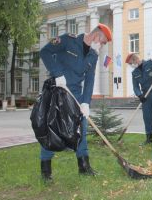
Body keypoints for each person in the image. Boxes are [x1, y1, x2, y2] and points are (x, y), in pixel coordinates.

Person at [39, 23, 112, 181]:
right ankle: (45, 170)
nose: (102, 46)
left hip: (76, 94)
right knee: (53, 128)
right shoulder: (68, 40)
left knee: (82, 129)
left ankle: (84, 167)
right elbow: (44, 52)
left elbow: (90, 79)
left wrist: (86, 102)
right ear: (97, 36)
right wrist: (57, 73)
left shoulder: (93, 54)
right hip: (58, 89)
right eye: (103, 42)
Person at [125, 53, 152, 145]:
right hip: (146, 96)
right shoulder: (134, 73)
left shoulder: (150, 63)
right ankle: (149, 139)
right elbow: (135, 87)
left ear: (135, 59)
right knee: (147, 117)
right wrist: (140, 95)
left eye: (130, 63)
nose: (131, 65)